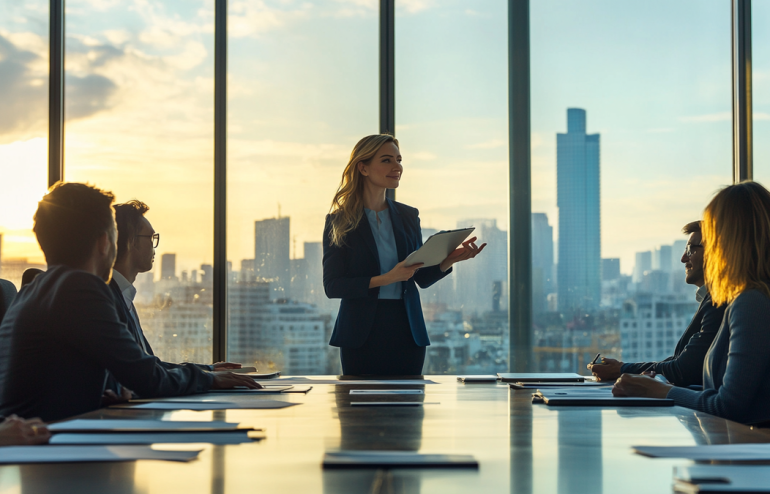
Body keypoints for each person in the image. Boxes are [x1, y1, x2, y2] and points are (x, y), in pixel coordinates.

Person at [0, 182, 260, 423]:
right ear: (105, 242)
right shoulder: (79, 288)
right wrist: (207, 378)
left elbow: (55, 381)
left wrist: (104, 391)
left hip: (45, 443)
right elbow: (147, 377)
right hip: (50, 450)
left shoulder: (35, 289)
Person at [323, 134, 485, 375]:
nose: (397, 167)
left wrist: (450, 259)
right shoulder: (339, 221)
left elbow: (420, 277)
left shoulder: (409, 216)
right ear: (363, 168)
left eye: (399, 160)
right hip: (360, 332)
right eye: (387, 160)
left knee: (409, 407)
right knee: (357, 410)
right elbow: (333, 286)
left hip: (407, 329)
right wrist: (387, 278)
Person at [613, 181, 770, 425]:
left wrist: (658, 391)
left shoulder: (751, 303)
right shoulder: (751, 299)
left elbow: (728, 406)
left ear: (729, 240)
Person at [588, 221, 726, 386]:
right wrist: (624, 368)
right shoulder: (712, 299)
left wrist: (622, 369)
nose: (683, 259)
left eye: (690, 250)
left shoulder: (719, 302)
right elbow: (679, 362)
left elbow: (683, 370)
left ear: (715, 253)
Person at [110, 200, 241, 372]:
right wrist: (206, 378)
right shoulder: (108, 298)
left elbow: (150, 366)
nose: (154, 246)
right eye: (150, 237)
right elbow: (145, 374)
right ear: (130, 241)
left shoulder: (124, 296)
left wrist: (207, 370)